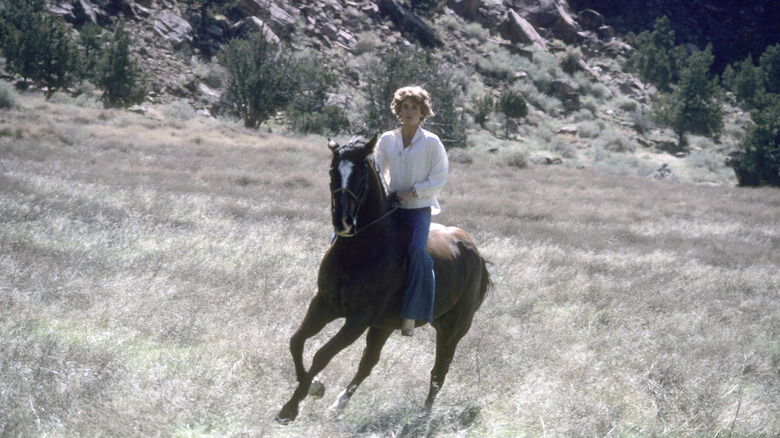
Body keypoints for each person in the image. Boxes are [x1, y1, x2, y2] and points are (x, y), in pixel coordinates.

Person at [375, 86, 449, 337]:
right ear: (398, 110)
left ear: (422, 112)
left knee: (417, 252)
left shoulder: (432, 143)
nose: (409, 112)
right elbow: (378, 172)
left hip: (418, 209)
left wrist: (414, 190)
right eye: (405, 107)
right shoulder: (386, 139)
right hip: (390, 207)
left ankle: (411, 314)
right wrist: (386, 193)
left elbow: (439, 178)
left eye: (414, 108)